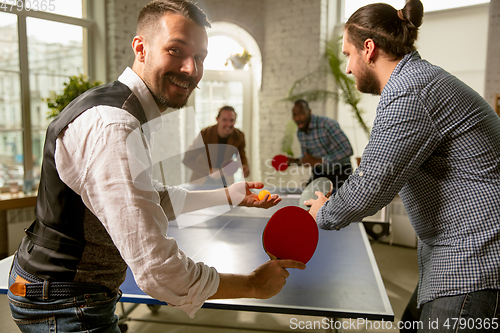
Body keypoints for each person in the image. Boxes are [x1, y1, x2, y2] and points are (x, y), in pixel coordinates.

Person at [8, 1, 305, 332]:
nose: (191, 68)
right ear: (141, 48)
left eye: (200, 57)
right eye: (176, 50)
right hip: (65, 302)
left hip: (66, 292)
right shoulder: (114, 128)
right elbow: (158, 271)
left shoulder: (125, 110)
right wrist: (252, 286)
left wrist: (228, 195)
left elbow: (151, 200)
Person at [306, 0, 500, 331]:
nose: (348, 67)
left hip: (475, 256)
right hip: (451, 253)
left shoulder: (411, 91)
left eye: (348, 55)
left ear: (368, 49)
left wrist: (321, 214)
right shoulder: (416, 82)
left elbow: (372, 185)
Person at [288, 99, 353, 189]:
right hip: (320, 173)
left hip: (341, 172)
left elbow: (348, 150)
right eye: (295, 115)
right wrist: (293, 162)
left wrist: (319, 161)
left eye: (301, 114)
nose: (298, 118)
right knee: (306, 198)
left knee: (339, 200)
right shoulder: (300, 132)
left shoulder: (327, 124)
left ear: (309, 112)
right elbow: (308, 158)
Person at [183, 105, 250, 186]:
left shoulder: (239, 136)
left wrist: (244, 166)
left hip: (225, 182)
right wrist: (208, 171)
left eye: (232, 120)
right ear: (217, 119)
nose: (228, 124)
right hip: (202, 181)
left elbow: (242, 156)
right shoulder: (205, 134)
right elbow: (187, 159)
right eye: (224, 120)